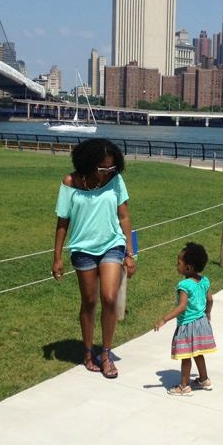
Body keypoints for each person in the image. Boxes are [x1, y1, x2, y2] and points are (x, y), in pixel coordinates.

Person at [52, 138, 135, 379]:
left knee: (109, 298)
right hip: (83, 248)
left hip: (112, 244)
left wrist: (130, 253)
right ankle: (88, 352)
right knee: (88, 301)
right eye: (102, 168)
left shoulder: (116, 181)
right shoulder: (70, 182)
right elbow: (62, 221)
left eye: (111, 168)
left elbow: (124, 218)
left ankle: (106, 354)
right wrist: (57, 257)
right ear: (87, 163)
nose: (107, 173)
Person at [154, 242, 217, 396]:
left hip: (188, 325)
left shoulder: (184, 285)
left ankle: (184, 386)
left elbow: (181, 307)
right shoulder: (205, 281)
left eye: (179, 263)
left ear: (188, 267)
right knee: (198, 352)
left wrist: (164, 319)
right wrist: (208, 313)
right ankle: (204, 380)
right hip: (202, 323)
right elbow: (210, 300)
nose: (177, 265)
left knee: (185, 355)